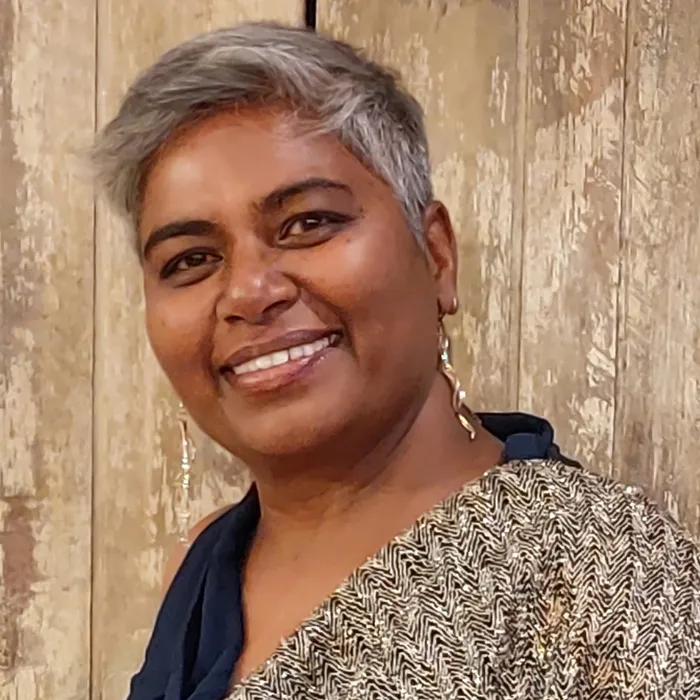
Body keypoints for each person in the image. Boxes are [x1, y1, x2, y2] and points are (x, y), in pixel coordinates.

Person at [91, 22, 700, 700]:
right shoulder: (203, 568)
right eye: (191, 260)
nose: (249, 292)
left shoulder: (598, 569)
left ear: (436, 255)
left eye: (308, 223)